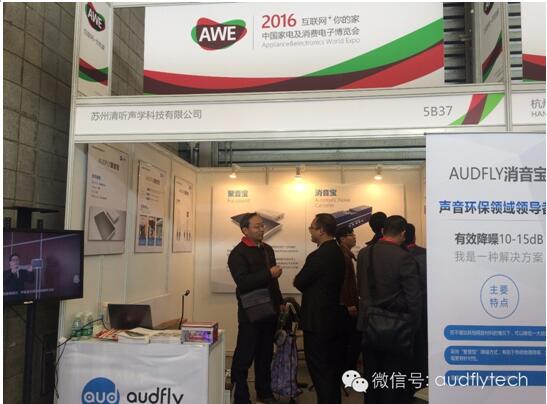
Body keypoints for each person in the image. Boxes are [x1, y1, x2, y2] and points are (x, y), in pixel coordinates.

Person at [356, 215, 421, 404]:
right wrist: (414, 327)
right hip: (396, 328)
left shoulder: (364, 254)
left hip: (368, 324)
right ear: (403, 233)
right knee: (393, 379)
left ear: (383, 231)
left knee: (372, 377)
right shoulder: (404, 257)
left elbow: (361, 288)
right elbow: (413, 297)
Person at [228, 212, 284, 404]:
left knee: (265, 355)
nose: (262, 229)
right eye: (257, 226)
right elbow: (243, 282)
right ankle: (240, 397)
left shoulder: (267, 249)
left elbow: (273, 282)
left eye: (262, 226)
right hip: (250, 312)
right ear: (245, 230)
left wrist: (280, 302)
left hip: (270, 310)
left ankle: (264, 392)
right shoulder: (238, 254)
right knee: (244, 357)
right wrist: (269, 273)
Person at [293, 213, 346, 404]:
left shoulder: (318, 255)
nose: (310, 231)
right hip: (332, 319)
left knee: (320, 371)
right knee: (331, 371)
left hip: (317, 322)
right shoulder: (338, 252)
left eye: (312, 228)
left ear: (322, 230)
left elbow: (299, 281)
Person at [403, 223, 428, 393]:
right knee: (421, 347)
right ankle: (421, 382)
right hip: (424, 307)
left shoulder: (399, 256)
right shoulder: (425, 254)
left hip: (403, 311)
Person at [334, 226, 361, 374]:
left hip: (348, 303)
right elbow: (344, 283)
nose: (354, 237)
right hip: (346, 306)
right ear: (342, 238)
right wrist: (349, 304)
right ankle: (348, 371)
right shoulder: (343, 256)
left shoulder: (347, 254)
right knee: (351, 340)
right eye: (350, 235)